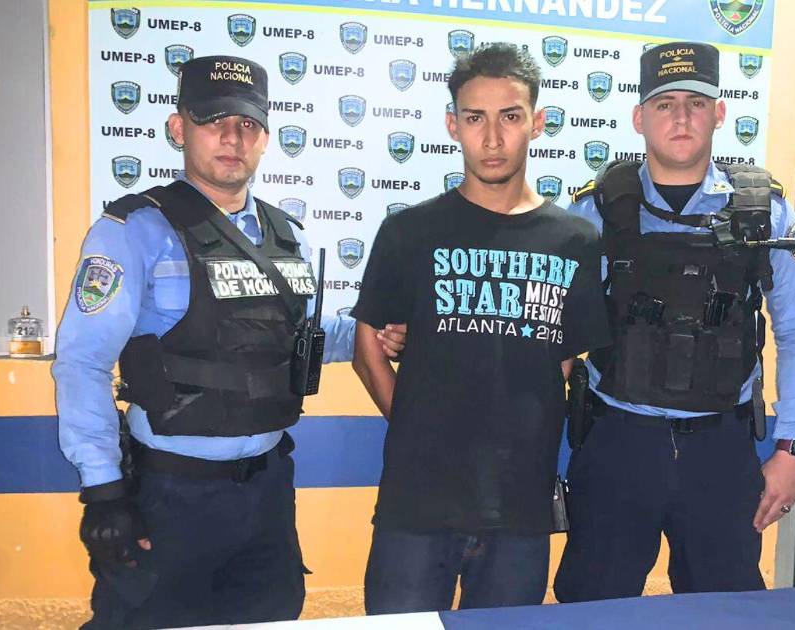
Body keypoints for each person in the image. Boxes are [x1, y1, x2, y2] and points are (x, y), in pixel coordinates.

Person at [52, 55, 406, 629]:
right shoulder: (135, 231)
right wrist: (103, 491)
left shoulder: (287, 235)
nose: (231, 137)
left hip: (266, 492)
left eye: (247, 124)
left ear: (264, 138)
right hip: (169, 494)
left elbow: (311, 334)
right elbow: (82, 362)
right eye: (212, 120)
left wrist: (379, 333)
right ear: (179, 128)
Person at [553, 41, 795, 601]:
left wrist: (793, 447)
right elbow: (552, 328)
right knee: (592, 609)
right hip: (617, 443)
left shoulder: (763, 213)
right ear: (639, 117)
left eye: (696, 103)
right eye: (665, 103)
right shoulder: (597, 210)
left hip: (719, 450)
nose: (681, 118)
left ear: (719, 113)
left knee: (725, 610)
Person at [350, 43, 611, 614]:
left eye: (510, 117)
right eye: (475, 118)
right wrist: (417, 425)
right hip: (416, 505)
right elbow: (367, 347)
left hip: (520, 510)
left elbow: (561, 361)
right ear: (453, 126)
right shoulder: (409, 232)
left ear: (537, 123)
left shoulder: (575, 241)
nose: (492, 138)